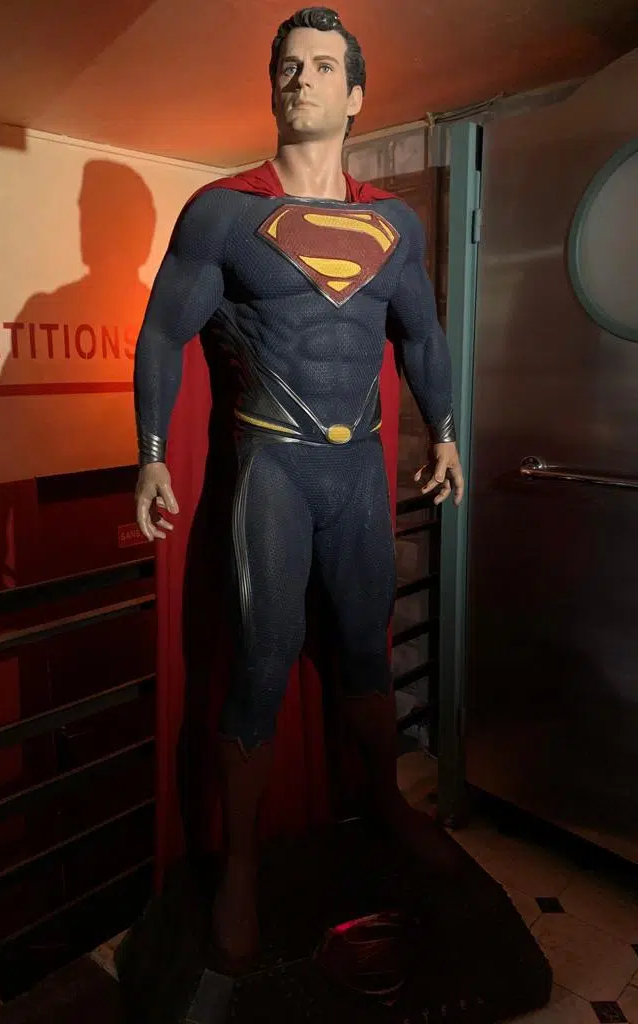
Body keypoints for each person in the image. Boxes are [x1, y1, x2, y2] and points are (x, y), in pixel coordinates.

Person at [133, 6, 465, 975]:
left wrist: (446, 430)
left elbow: (423, 337)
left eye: (322, 66)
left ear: (355, 95)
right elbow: (162, 334)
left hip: (357, 470)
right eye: (289, 64)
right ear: (273, 84)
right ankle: (239, 866)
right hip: (271, 466)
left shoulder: (395, 225)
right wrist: (151, 451)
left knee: (365, 650)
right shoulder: (223, 215)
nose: (301, 78)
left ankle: (387, 802)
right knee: (262, 663)